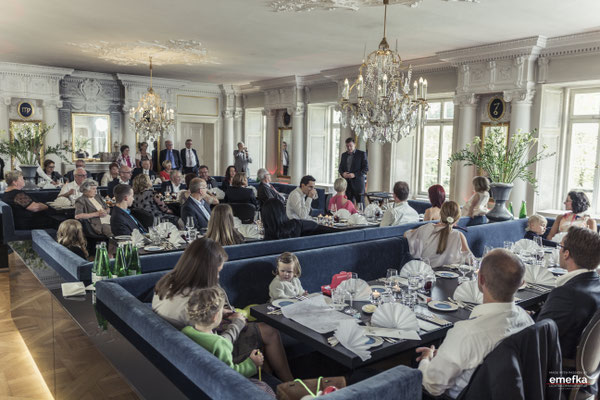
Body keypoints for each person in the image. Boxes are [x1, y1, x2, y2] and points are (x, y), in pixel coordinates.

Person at [152, 238, 293, 381]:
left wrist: (221, 312)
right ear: (206, 271)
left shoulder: (168, 283)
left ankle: (274, 382)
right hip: (205, 351)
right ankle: (290, 384)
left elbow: (198, 323)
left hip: (187, 342)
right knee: (269, 332)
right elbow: (215, 341)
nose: (218, 277)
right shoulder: (191, 299)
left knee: (260, 333)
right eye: (217, 272)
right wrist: (236, 323)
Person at [416, 249, 533, 398]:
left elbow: (432, 386)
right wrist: (448, 352)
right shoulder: (526, 319)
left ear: (481, 280)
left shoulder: (467, 333)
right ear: (521, 283)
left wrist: (427, 359)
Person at [536, 227, 600, 362]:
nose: (559, 250)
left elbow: (538, 338)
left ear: (566, 254)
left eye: (561, 246)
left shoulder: (566, 294)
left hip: (558, 368)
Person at [182, 287, 264, 378]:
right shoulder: (219, 344)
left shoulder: (186, 330)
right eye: (221, 311)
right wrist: (251, 363)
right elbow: (230, 374)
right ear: (215, 316)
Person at [404, 201, 470, 267]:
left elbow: (406, 234)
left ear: (440, 214)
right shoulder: (458, 235)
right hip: (451, 274)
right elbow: (470, 260)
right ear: (457, 219)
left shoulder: (427, 227)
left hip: (427, 274)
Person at [338, 137, 368, 206]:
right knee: (349, 204)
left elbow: (365, 169)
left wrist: (354, 175)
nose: (349, 148)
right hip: (347, 183)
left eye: (350, 146)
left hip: (358, 184)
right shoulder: (344, 155)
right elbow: (340, 168)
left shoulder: (361, 154)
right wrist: (343, 174)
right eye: (347, 146)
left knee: (360, 204)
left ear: (354, 145)